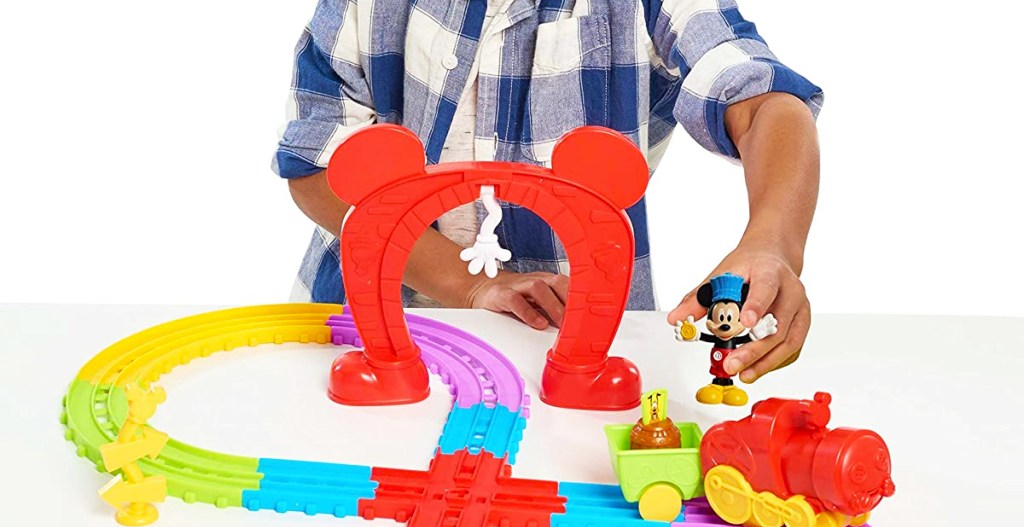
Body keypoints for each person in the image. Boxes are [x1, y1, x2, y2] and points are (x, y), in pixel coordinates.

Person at [274, 0, 821, 385]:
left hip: (572, 350)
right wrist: (466, 285)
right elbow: (316, 163)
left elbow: (763, 100)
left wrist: (774, 242)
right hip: (364, 334)